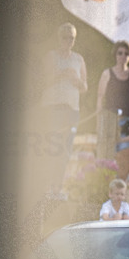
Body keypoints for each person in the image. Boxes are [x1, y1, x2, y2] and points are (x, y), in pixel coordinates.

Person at [40, 22, 88, 194]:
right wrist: (61, 74)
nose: (68, 41)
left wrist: (76, 80)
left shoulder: (78, 59)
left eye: (71, 38)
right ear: (59, 38)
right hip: (52, 108)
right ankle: (45, 186)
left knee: (66, 150)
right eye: (65, 37)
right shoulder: (51, 56)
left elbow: (85, 87)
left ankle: (57, 187)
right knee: (52, 147)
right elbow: (43, 81)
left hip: (72, 109)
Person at [95, 40, 129, 179]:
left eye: (126, 54)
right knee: (107, 156)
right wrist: (99, 121)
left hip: (127, 121)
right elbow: (100, 97)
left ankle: (121, 186)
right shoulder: (107, 73)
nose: (123, 56)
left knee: (124, 159)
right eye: (120, 53)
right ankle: (104, 185)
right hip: (109, 119)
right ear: (115, 55)